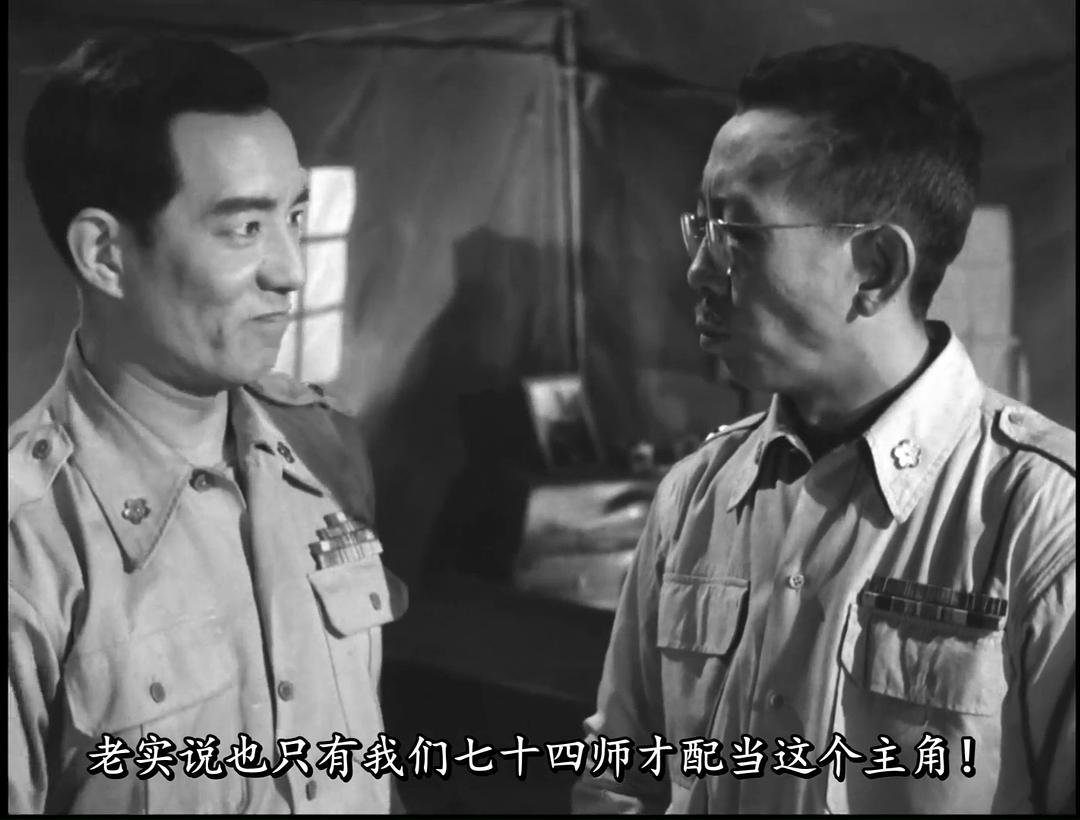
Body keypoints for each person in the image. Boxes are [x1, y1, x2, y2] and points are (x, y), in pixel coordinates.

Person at [572, 43, 1074, 814]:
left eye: (738, 233)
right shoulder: (696, 495)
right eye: (701, 224)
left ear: (875, 267)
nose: (699, 269)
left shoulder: (1042, 519)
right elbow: (621, 777)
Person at [8, 35, 407, 813]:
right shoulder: (31, 546)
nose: (291, 270)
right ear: (105, 254)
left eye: (296, 216)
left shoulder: (322, 447)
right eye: (244, 228)